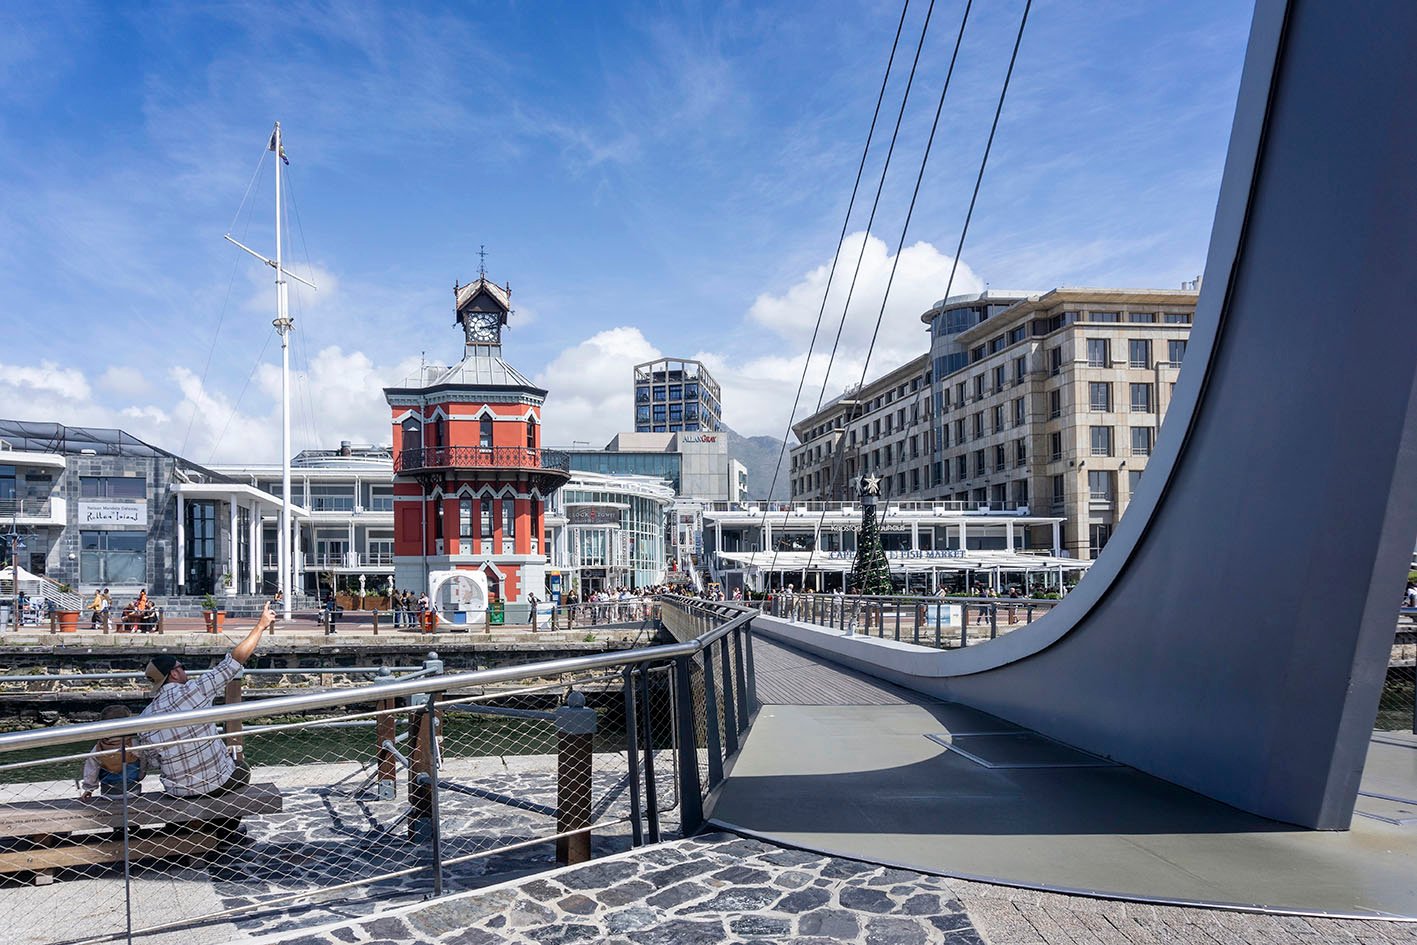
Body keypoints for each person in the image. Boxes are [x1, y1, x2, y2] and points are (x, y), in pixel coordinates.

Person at [139, 603, 276, 797]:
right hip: (216, 783)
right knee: (240, 767)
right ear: (174, 674)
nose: (184, 670)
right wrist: (261, 625)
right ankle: (224, 828)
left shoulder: (145, 717)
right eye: (182, 667)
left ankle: (202, 826)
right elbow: (235, 661)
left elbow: (154, 762)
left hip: (178, 791)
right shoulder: (195, 690)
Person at [80, 705, 147, 798]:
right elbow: (143, 761)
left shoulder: (99, 747)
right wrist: (141, 775)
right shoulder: (133, 743)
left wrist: (89, 789)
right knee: (135, 761)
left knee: (97, 765)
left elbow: (91, 770)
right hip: (132, 790)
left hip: (107, 792)